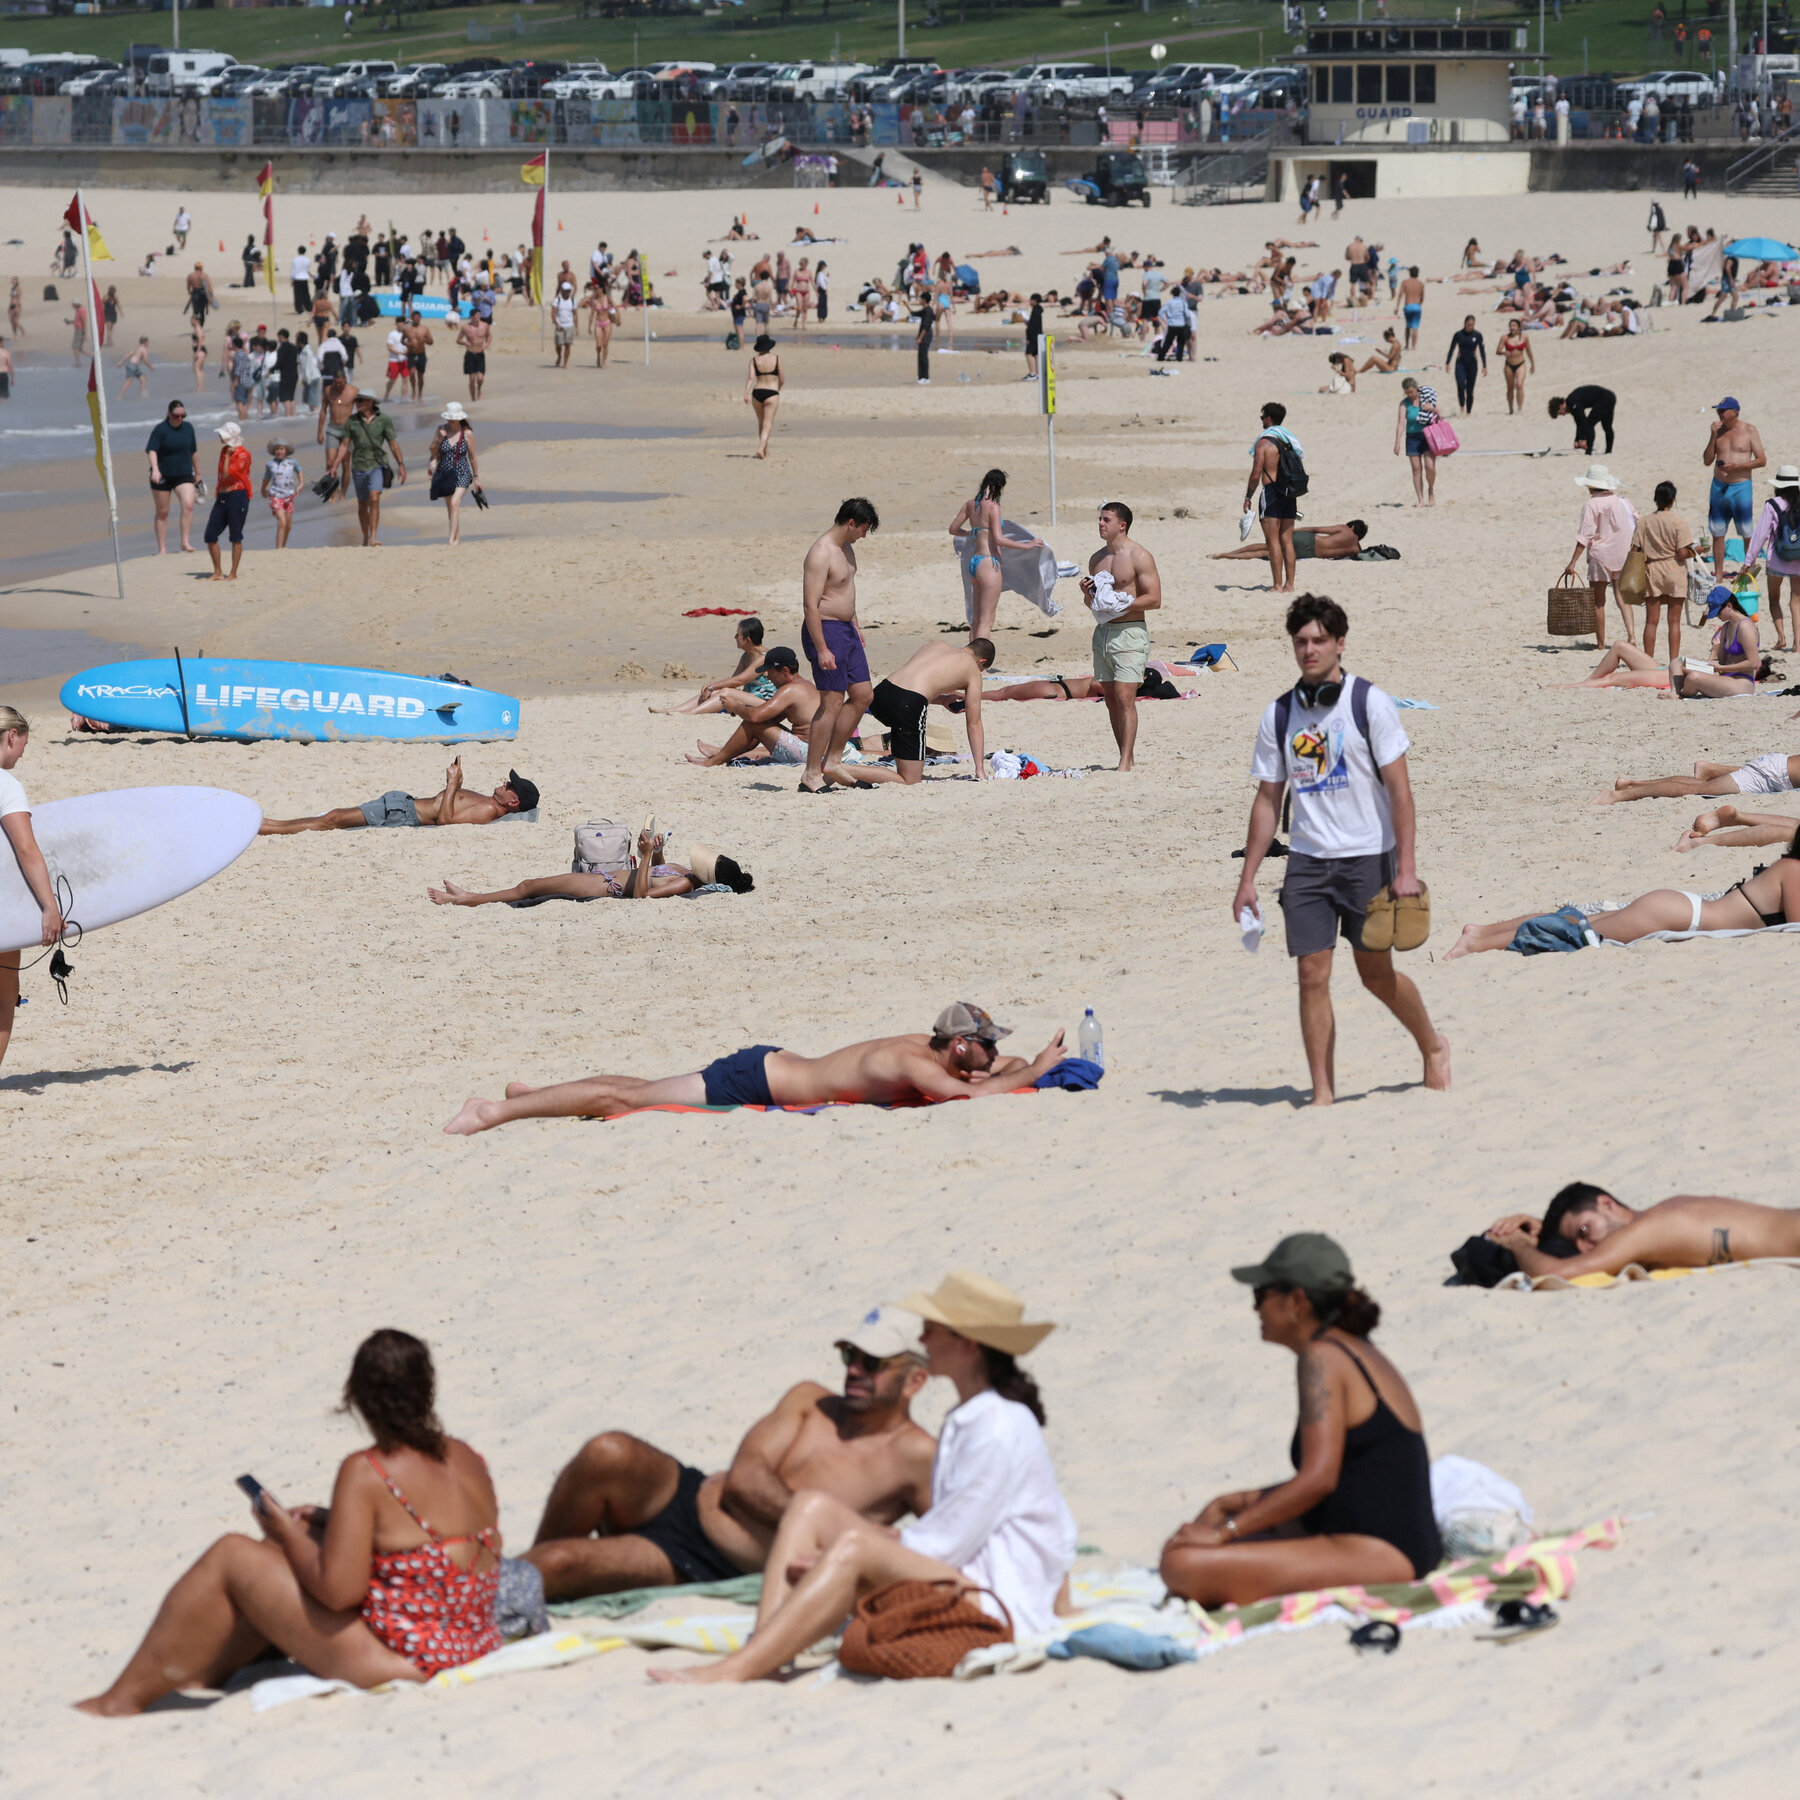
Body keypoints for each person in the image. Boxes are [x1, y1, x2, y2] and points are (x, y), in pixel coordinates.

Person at [648, 1272, 1075, 1683]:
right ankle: (765, 1649)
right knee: (809, 1506)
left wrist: (855, 1551)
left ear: (968, 1345)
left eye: (931, 1330)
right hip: (970, 1575)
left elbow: (950, 1542)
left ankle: (738, 1669)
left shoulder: (999, 1426)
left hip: (996, 1599)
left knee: (852, 1547)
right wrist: (879, 1543)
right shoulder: (973, 1416)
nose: (923, 1340)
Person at [76, 1330, 501, 1715]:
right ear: (427, 1389)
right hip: (469, 1642)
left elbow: (340, 1592)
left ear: (358, 1398)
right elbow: (428, 1541)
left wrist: (280, 1530)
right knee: (299, 1535)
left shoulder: (368, 1470)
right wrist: (317, 1522)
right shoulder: (465, 1457)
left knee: (233, 1553)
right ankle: (209, 1673)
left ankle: (120, 1701)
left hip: (406, 1661)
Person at [524, 1308, 937, 1601]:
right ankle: (524, 1585)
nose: (854, 1370)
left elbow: (948, 1540)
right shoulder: (809, 1400)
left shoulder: (917, 1457)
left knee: (559, 1562)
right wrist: (814, 1520)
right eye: (850, 1356)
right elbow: (744, 1480)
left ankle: (527, 1580)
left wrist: (839, 1540)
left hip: (705, 1561)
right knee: (606, 1452)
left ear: (914, 1381)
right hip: (687, 1495)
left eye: (873, 1362)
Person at [1233, 594, 1450, 1108]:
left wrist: (1407, 870)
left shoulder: (1368, 703)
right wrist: (1247, 878)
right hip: (1307, 863)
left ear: (1339, 643)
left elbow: (1401, 791)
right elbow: (1268, 799)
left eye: (1319, 640)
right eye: (1301, 642)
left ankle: (1433, 1046)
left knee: (1375, 975)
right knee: (1311, 975)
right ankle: (1323, 1094)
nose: (1309, 650)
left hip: (1368, 858)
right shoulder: (1280, 713)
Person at [1160, 1235, 1440, 1604]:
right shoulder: (1355, 1348)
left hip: (1379, 1551)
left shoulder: (1321, 1358)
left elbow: (1318, 1480)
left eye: (1261, 1293)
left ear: (1296, 1301)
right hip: (1396, 1538)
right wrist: (1235, 1503)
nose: (1255, 1307)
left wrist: (1225, 1533)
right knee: (1218, 1511)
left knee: (1181, 1564)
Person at [443, 1002, 1067, 1134]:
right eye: (986, 1046)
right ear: (960, 1048)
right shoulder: (911, 1061)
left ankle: (532, 1094)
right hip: (754, 1081)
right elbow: (972, 1096)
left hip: (769, 1065)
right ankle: (494, 1111)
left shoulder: (931, 1048)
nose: (993, 1055)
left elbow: (986, 1075)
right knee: (621, 1100)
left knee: (634, 1088)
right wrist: (1035, 1067)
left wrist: (1013, 1065)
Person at [1446, 825, 1800, 958]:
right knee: (1576, 931)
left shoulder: (1789, 867)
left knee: (1577, 920)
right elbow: (1795, 928)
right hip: (1679, 916)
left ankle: (1481, 932)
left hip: (1679, 908)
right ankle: (1480, 942)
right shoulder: (1795, 872)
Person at [1488, 1183, 1800, 1280]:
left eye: (1585, 1229)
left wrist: (1517, 1244)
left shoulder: (1643, 1232)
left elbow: (1561, 1273)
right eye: (1577, 1241)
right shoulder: (1668, 1213)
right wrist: (1548, 1233)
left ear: (1607, 1204)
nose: (1587, 1246)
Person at [429, 825, 753, 909]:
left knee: (528, 887)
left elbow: (643, 897)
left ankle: (467, 899)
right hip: (605, 876)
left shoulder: (686, 885)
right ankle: (470, 896)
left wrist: (641, 857)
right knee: (529, 887)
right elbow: (657, 873)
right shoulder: (683, 871)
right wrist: (657, 853)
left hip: (603, 886)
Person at [0, 707, 65, 1077]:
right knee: (4, 995)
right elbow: (27, 850)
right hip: (1, 907)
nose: (23, 752)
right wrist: (49, 907)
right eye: (23, 743)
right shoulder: (6, 786)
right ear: (12, 737)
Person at [800, 498, 879, 795]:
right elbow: (811, 604)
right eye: (863, 529)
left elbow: (846, 591)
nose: (864, 536)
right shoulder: (821, 553)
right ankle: (811, 772)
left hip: (847, 630)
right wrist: (821, 648)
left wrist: (856, 626)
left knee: (863, 695)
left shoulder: (847, 549)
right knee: (831, 702)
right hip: (826, 630)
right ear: (850, 523)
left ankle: (833, 759)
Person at [1082, 501, 1162, 773]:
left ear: (1122, 525)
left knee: (1125, 696)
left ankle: (1125, 761)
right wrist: (1086, 593)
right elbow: (1095, 604)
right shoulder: (1097, 559)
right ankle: (1124, 754)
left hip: (1130, 632)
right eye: (1100, 519)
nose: (1100, 524)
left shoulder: (1139, 555)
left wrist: (1123, 603)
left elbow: (1154, 599)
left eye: (1106, 520)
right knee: (1111, 698)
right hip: (1103, 634)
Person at [847, 638, 993, 786]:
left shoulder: (937, 645)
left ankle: (833, 763)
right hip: (907, 706)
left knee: (901, 740)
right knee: (910, 780)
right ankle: (842, 769)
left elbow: (913, 683)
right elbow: (974, 723)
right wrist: (979, 769)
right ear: (981, 662)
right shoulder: (972, 670)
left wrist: (942, 700)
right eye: (981, 669)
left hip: (882, 692)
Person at [259, 760, 538, 835]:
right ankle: (274, 823)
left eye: (509, 786)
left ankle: (269, 828)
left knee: (332, 819)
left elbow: (446, 821)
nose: (504, 783)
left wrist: (452, 784)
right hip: (402, 804)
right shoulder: (488, 802)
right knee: (334, 814)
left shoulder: (488, 812)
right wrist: (458, 783)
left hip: (403, 815)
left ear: (513, 802)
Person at [685, 647, 820, 768]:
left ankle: (713, 761)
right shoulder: (805, 685)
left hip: (808, 753)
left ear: (784, 671)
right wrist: (741, 710)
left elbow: (755, 717)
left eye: (770, 672)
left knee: (753, 723)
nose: (767, 677)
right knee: (758, 723)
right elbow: (769, 717)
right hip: (815, 751)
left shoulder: (790, 690)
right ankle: (722, 754)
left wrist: (736, 707)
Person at [950, 469, 1044, 641]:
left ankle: (972, 661)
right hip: (989, 563)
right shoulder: (993, 507)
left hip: (974, 562)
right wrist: (1027, 545)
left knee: (977, 618)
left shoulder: (970, 505)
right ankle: (982, 665)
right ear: (998, 487)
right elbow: (999, 539)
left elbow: (953, 529)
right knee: (987, 620)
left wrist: (972, 533)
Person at [1560, 464, 1638, 649]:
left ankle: (1601, 644)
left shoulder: (1591, 505)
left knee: (1598, 602)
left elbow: (1585, 536)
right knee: (1623, 598)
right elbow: (1638, 521)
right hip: (1623, 554)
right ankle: (1632, 635)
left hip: (1600, 556)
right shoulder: (1623, 501)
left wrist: (1572, 562)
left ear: (1591, 485)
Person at [1702, 396, 1768, 577]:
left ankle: (1749, 573)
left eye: (1723, 410)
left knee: (1746, 533)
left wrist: (1737, 467)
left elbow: (1762, 460)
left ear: (1735, 412)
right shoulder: (1718, 432)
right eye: (1718, 410)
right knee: (1717, 533)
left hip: (1741, 488)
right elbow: (1707, 460)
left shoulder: (1749, 430)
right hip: (1719, 487)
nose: (1719, 414)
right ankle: (1718, 574)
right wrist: (1713, 435)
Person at [652, 618, 772, 716]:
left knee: (725, 692)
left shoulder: (764, 658)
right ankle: (674, 709)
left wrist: (711, 686)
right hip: (751, 698)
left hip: (767, 703)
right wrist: (713, 688)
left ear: (748, 639)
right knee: (720, 691)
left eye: (738, 635)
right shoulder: (746, 656)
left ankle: (691, 713)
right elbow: (733, 680)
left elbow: (741, 680)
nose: (735, 637)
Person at [1630, 479, 1695, 660]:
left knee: (1651, 622)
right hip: (1674, 570)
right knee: (1674, 622)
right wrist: (1696, 551)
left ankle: (1648, 660)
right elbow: (1682, 553)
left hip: (1653, 570)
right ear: (1673, 500)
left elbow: (1634, 550)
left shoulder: (1644, 522)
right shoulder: (1678, 522)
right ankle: (1673, 660)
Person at [1245, 402, 1306, 594]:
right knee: (1287, 540)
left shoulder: (1264, 444)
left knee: (1273, 542)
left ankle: (1277, 585)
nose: (1262, 420)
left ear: (1269, 418)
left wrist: (1248, 496)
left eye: (1262, 417)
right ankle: (1290, 585)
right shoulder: (1288, 442)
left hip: (1271, 492)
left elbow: (1256, 474)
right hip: (1289, 492)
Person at [1743, 463, 1800, 652]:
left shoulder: (1772, 504)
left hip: (1777, 560)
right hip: (1798, 560)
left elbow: (1761, 535)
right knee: (1796, 600)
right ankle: (1798, 644)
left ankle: (1781, 637)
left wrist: (1749, 560)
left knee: (1774, 598)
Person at [341, 393, 406, 547]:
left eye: (361, 401)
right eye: (357, 401)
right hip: (358, 466)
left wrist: (401, 465)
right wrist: (334, 466)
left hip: (378, 464)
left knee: (374, 497)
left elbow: (393, 444)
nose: (358, 403)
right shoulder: (352, 421)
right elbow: (345, 445)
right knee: (362, 504)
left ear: (370, 402)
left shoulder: (383, 420)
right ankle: (365, 536)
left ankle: (373, 537)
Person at [145, 399, 198, 556]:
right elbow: (152, 450)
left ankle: (185, 542)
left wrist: (199, 474)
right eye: (176, 416)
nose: (180, 419)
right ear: (169, 414)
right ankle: (162, 548)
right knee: (163, 512)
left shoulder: (188, 428)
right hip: (162, 475)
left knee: (188, 504)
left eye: (183, 415)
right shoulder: (160, 430)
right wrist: (155, 470)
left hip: (184, 474)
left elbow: (193, 452)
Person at [203, 421, 252, 582]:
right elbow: (221, 478)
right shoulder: (225, 451)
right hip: (223, 497)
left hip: (238, 496)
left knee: (235, 535)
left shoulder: (243, 454)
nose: (219, 437)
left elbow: (227, 475)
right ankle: (217, 571)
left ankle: (233, 573)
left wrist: (229, 457)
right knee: (210, 535)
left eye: (222, 435)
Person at [425, 402, 478, 546]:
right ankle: (457, 538)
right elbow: (432, 450)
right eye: (449, 418)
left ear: (459, 418)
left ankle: (451, 541)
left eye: (453, 418)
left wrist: (476, 477)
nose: (450, 421)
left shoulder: (467, 433)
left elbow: (472, 457)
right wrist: (438, 439)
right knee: (451, 507)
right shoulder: (441, 430)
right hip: (445, 472)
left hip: (463, 472)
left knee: (455, 503)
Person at [1214, 520, 1368, 564]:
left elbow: (1316, 528)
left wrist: (1293, 530)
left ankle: (1227, 554)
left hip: (1308, 539)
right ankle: (1230, 557)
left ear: (1353, 526)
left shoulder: (1344, 529)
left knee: (1266, 546)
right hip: (1310, 553)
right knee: (1265, 552)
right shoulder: (1355, 549)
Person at [1394, 377, 1440, 508]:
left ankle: (1431, 490)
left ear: (1417, 389)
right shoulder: (1404, 404)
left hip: (1428, 436)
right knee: (1416, 469)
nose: (1410, 395)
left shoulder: (1426, 399)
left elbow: (1438, 415)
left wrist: (1432, 408)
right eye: (1407, 392)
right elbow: (1401, 423)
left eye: (1412, 392)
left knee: (1430, 467)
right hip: (1412, 437)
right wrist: (1397, 442)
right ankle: (1420, 498)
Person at [744, 333, 783, 460]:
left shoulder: (754, 360)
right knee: (768, 423)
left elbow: (751, 378)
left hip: (757, 392)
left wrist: (746, 393)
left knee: (761, 422)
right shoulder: (776, 358)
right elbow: (782, 378)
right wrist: (778, 389)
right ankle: (761, 449)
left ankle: (766, 449)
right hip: (771, 391)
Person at [1549, 384, 1616, 454]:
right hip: (1610, 397)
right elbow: (1579, 423)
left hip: (1605, 399)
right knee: (1607, 427)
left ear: (1561, 406)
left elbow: (1584, 422)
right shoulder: (1571, 404)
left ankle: (1589, 451)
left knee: (1590, 424)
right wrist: (1577, 440)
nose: (1563, 415)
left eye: (1560, 413)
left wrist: (1583, 439)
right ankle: (1608, 452)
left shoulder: (1573, 403)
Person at [261, 437, 302, 550]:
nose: (279, 451)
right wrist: (263, 489)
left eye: (281, 449)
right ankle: (278, 548)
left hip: (289, 496)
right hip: (275, 496)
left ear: (286, 450)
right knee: (282, 522)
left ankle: (283, 546)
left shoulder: (292, 462)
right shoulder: (270, 464)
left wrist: (301, 484)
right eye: (277, 449)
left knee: (288, 526)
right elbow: (266, 478)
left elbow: (300, 471)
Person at [1443, 315, 1486, 415]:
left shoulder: (1477, 335)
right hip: (1461, 363)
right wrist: (1448, 362)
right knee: (1461, 386)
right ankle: (1462, 407)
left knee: (1470, 389)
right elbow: (1452, 348)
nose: (1470, 326)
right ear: (1465, 324)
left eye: (1472, 325)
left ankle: (1468, 411)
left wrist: (1484, 366)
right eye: (1468, 324)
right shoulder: (1458, 334)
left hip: (1472, 364)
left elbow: (1482, 350)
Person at [1499, 317, 1534, 415]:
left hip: (1521, 364)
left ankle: (1519, 408)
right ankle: (1510, 408)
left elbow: (1529, 351)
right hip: (1509, 365)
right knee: (1510, 388)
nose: (1512, 327)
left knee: (1519, 385)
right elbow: (1498, 350)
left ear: (1519, 327)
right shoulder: (1505, 338)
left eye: (1514, 325)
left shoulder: (1524, 337)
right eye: (1510, 326)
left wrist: (1532, 364)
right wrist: (1503, 352)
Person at [454, 307, 490, 401]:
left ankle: (479, 390)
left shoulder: (484, 325)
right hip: (470, 354)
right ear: (472, 317)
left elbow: (489, 336)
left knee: (480, 378)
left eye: (479, 315)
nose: (479, 317)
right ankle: (473, 398)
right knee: (472, 378)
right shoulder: (466, 327)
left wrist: (486, 344)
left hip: (480, 354)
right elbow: (458, 339)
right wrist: (465, 343)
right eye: (477, 315)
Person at [401, 310, 433, 404]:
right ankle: (414, 391)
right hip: (411, 354)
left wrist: (426, 340)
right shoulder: (407, 329)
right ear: (412, 318)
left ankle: (420, 394)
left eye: (418, 317)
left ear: (420, 318)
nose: (416, 319)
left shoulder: (424, 329)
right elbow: (402, 341)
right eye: (414, 317)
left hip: (421, 353)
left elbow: (431, 342)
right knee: (412, 372)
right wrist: (408, 344)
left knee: (420, 376)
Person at [551, 277, 577, 369]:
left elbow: (575, 314)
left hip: (569, 325)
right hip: (560, 324)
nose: (566, 292)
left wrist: (576, 327)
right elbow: (553, 314)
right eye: (565, 290)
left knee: (567, 345)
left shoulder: (573, 301)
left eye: (568, 291)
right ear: (561, 291)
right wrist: (556, 323)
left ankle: (565, 362)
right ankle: (559, 356)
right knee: (558, 344)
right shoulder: (557, 300)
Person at [1397, 264, 1425, 349]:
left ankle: (1406, 345)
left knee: (1408, 326)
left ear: (1410, 273)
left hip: (1408, 305)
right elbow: (1422, 297)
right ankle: (1414, 346)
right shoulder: (1420, 283)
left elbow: (1400, 295)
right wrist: (1419, 304)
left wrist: (1397, 307)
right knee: (1415, 327)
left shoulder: (1405, 282)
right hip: (1417, 306)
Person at [913, 288, 934, 384]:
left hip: (926, 336)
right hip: (923, 336)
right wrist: (907, 307)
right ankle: (921, 377)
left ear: (925, 300)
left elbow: (926, 326)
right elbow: (915, 313)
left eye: (921, 299)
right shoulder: (925, 310)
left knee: (923, 356)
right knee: (920, 356)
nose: (920, 300)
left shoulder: (929, 311)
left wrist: (920, 338)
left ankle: (926, 377)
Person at [1024, 293, 1045, 379]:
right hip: (1039, 335)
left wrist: (1028, 338)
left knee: (1028, 354)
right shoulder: (1038, 310)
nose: (1029, 301)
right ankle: (1038, 374)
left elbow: (1032, 327)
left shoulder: (1035, 311)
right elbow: (1034, 324)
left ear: (1034, 300)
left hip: (1034, 336)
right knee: (1036, 354)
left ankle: (1032, 373)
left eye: (1031, 300)